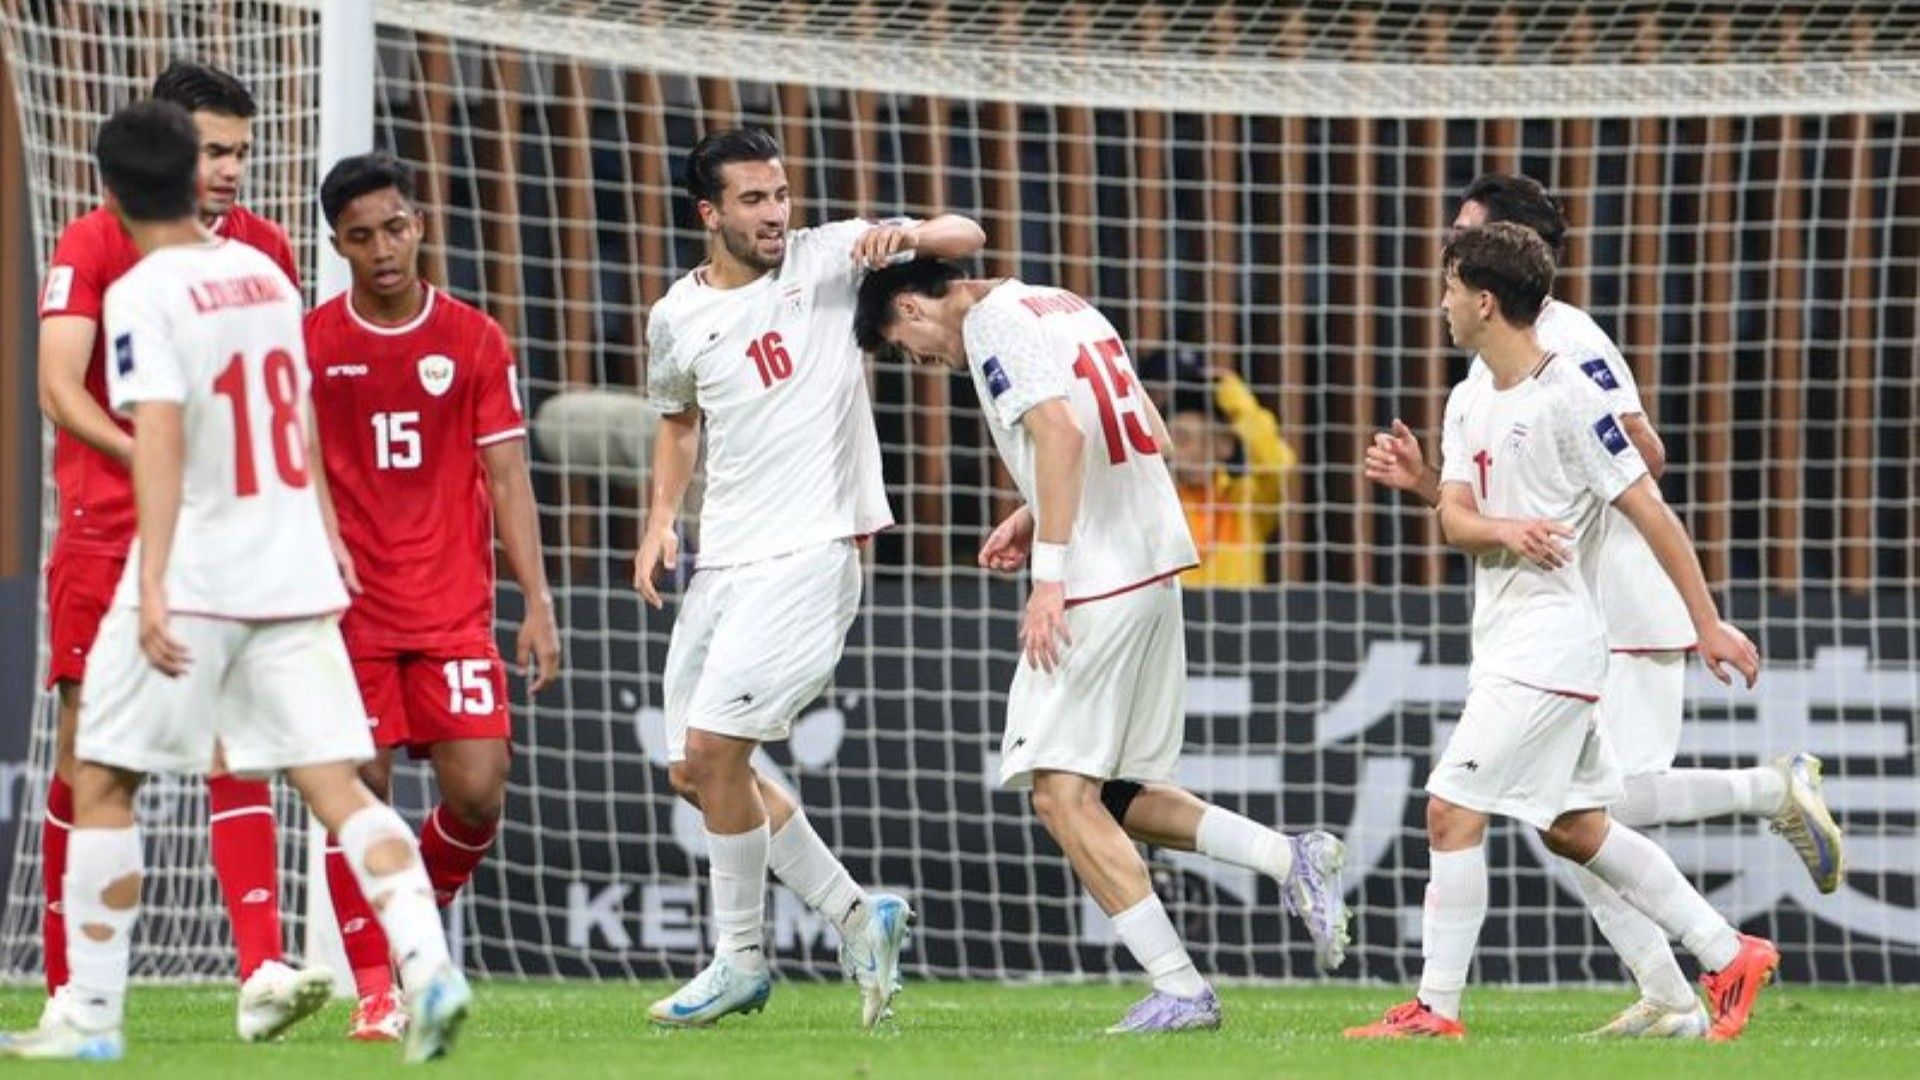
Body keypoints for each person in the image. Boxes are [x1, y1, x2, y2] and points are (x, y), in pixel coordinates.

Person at [2, 99, 468, 1064]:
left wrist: (159, 579)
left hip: (204, 568)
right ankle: (428, 965)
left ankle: (88, 1016)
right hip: (291, 566)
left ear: (114, 192)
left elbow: (161, 442)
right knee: (340, 787)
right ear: (190, 174)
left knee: (100, 778)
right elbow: (297, 420)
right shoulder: (261, 272)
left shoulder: (143, 292)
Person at [1364, 173, 1843, 1036]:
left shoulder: (1567, 354)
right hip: (1529, 617)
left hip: (1601, 612)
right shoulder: (1472, 388)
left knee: (1479, 808)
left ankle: (1440, 1009)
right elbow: (1474, 514)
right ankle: (1709, 964)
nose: (1442, 265)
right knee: (1576, 823)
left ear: (1497, 277)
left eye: (1460, 245)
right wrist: (1439, 492)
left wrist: (1704, 620)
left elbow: (1640, 469)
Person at [852, 259, 1351, 1032]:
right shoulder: (1061, 302)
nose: (928, 362)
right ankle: (1291, 860)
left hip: (1096, 582)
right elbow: (1145, 428)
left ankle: (1180, 988)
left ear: (914, 309)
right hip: (1155, 568)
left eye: (911, 347)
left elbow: (1059, 429)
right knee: (1119, 796)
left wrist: (1049, 575)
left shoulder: (990, 325)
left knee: (1059, 792)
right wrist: (1035, 510)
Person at [633, 128, 985, 1030]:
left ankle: (739, 959)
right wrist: (660, 520)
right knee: (692, 768)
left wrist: (903, 237)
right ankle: (857, 916)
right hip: (726, 561)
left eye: (781, 194)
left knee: (717, 751)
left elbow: (966, 237)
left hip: (815, 551)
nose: (775, 213)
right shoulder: (676, 314)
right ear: (709, 213)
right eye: (753, 200)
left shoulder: (830, 257)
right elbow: (677, 422)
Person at [32, 59, 301, 1036]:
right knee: (88, 751)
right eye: (211, 150)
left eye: (240, 150)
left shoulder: (264, 248)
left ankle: (264, 968)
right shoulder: (96, 240)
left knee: (239, 736)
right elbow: (59, 387)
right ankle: (70, 986)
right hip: (110, 531)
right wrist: (156, 455)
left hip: (225, 537)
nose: (230, 169)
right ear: (167, 146)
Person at [303, 152, 561, 1040]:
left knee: (480, 791)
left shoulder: (476, 339)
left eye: (397, 227)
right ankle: (378, 992)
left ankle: (413, 925)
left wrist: (537, 600)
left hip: (452, 611)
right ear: (338, 245)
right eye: (363, 236)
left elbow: (508, 472)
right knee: (361, 796)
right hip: (350, 616)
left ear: (420, 225)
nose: (384, 248)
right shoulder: (310, 344)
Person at [1147, 349, 1297, 586]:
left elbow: (1276, 464)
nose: (1195, 450)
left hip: (1241, 619)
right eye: (1183, 438)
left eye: (1208, 440)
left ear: (1226, 445)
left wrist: (1234, 396)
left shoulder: (1247, 501)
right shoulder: (1152, 503)